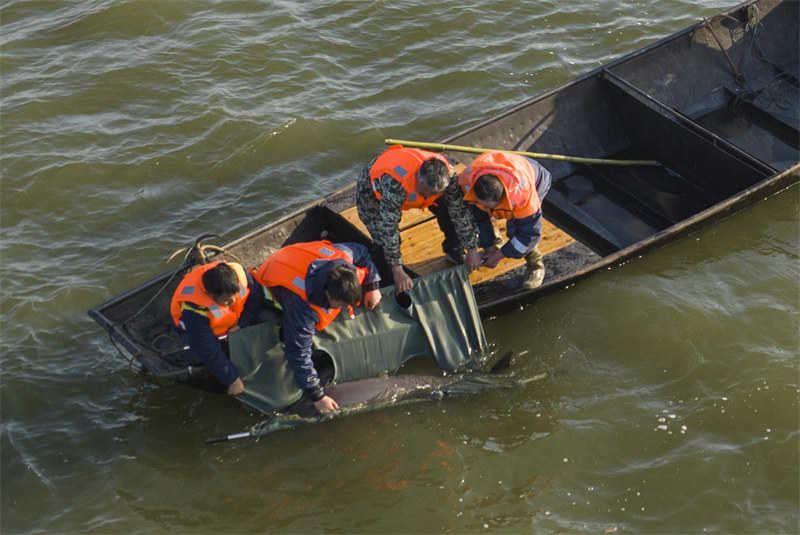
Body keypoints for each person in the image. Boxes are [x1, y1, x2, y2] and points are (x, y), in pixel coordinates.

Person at [254, 240, 382, 413]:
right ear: (327, 294)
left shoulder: (342, 256)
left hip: (294, 257)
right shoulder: (302, 306)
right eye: (341, 305)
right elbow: (298, 352)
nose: (344, 309)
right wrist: (317, 396)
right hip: (273, 277)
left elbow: (363, 252)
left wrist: (372, 285)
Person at [356, 144, 482, 292]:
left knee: (450, 208)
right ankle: (384, 285)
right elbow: (388, 229)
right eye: (425, 191)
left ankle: (453, 248)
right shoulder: (395, 185)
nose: (428, 195)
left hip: (419, 188)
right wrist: (397, 269)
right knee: (382, 240)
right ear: (417, 177)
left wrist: (472, 249)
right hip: (372, 193)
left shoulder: (450, 178)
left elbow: (460, 213)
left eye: (433, 192)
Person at [170, 261, 268, 396]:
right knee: (200, 356)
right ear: (211, 295)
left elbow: (256, 298)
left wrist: (242, 324)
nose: (232, 301)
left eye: (235, 295)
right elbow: (206, 347)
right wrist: (232, 379)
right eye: (226, 300)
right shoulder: (194, 308)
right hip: (198, 331)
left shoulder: (241, 274)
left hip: (235, 321)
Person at [459, 150, 552, 290]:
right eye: (480, 203)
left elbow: (529, 234)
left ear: (502, 199)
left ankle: (536, 265)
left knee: (516, 229)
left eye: (488, 206)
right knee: (475, 215)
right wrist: (488, 245)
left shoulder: (523, 198)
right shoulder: (467, 181)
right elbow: (478, 216)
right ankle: (494, 243)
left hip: (535, 177)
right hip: (507, 167)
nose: (483, 207)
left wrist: (501, 254)